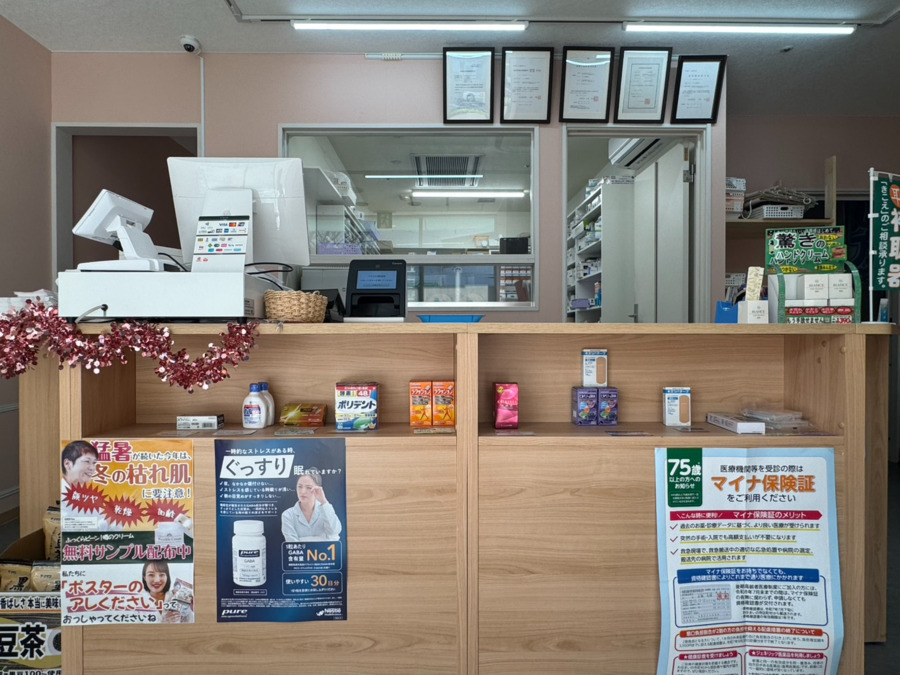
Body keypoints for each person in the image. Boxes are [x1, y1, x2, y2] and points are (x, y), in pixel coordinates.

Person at [281, 469, 342, 542]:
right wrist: (321, 540)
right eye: (300, 486)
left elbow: (334, 531)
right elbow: (292, 544)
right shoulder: (288, 515)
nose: (302, 491)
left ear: (318, 489)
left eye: (308, 487)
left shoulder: (325, 509)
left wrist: (323, 501)